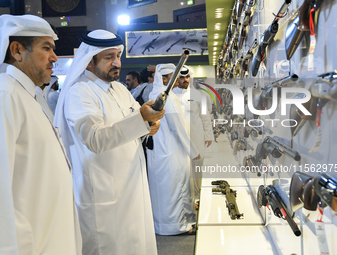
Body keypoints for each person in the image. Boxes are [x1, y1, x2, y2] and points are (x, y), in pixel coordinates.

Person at [54, 29, 164, 255]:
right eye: (108, 57)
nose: (116, 62)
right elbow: (94, 138)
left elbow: (133, 124)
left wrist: (148, 127)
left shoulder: (121, 90)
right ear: (89, 62)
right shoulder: (80, 93)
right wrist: (141, 120)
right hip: (104, 195)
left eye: (118, 56)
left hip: (132, 189)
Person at [0, 14, 81, 254]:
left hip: (50, 234)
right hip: (32, 243)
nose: (54, 58)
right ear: (17, 50)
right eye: (46, 48)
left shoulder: (31, 95)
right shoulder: (6, 96)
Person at [147, 63, 200, 235]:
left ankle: (166, 225)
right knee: (177, 188)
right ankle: (181, 225)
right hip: (171, 152)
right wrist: (193, 151)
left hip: (161, 153)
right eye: (173, 75)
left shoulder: (156, 94)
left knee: (163, 191)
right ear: (164, 79)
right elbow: (178, 128)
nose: (177, 78)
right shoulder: (165, 97)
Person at [173, 65, 213, 206]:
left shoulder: (198, 95)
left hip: (197, 137)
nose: (185, 80)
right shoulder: (172, 96)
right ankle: (183, 202)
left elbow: (205, 116)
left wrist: (208, 135)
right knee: (182, 170)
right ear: (177, 78)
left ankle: (197, 198)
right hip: (178, 140)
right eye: (182, 77)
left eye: (187, 77)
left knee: (196, 169)